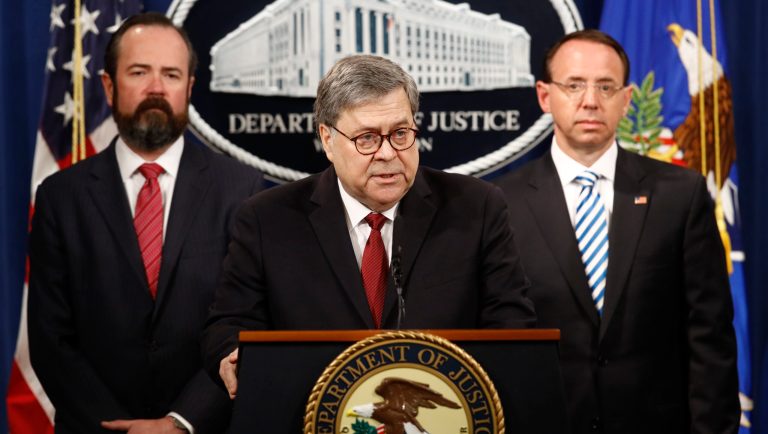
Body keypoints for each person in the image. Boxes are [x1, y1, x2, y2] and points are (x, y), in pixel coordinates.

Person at [202, 54, 536, 398]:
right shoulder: (268, 219)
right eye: (367, 138)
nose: (388, 153)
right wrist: (232, 356)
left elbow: (511, 326)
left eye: (400, 134)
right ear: (328, 139)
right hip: (308, 410)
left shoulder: (475, 208)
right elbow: (229, 326)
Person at [27, 12, 263, 434]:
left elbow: (247, 325)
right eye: (139, 72)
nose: (156, 87)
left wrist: (181, 421)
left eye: (171, 75)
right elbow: (51, 340)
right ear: (108, 85)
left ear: (189, 88)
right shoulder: (60, 196)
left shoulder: (242, 189)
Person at [496, 29, 739, 433]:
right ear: (544, 96)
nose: (590, 100)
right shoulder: (500, 204)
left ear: (626, 100)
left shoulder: (680, 195)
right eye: (574, 85)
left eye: (606, 87)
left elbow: (709, 337)